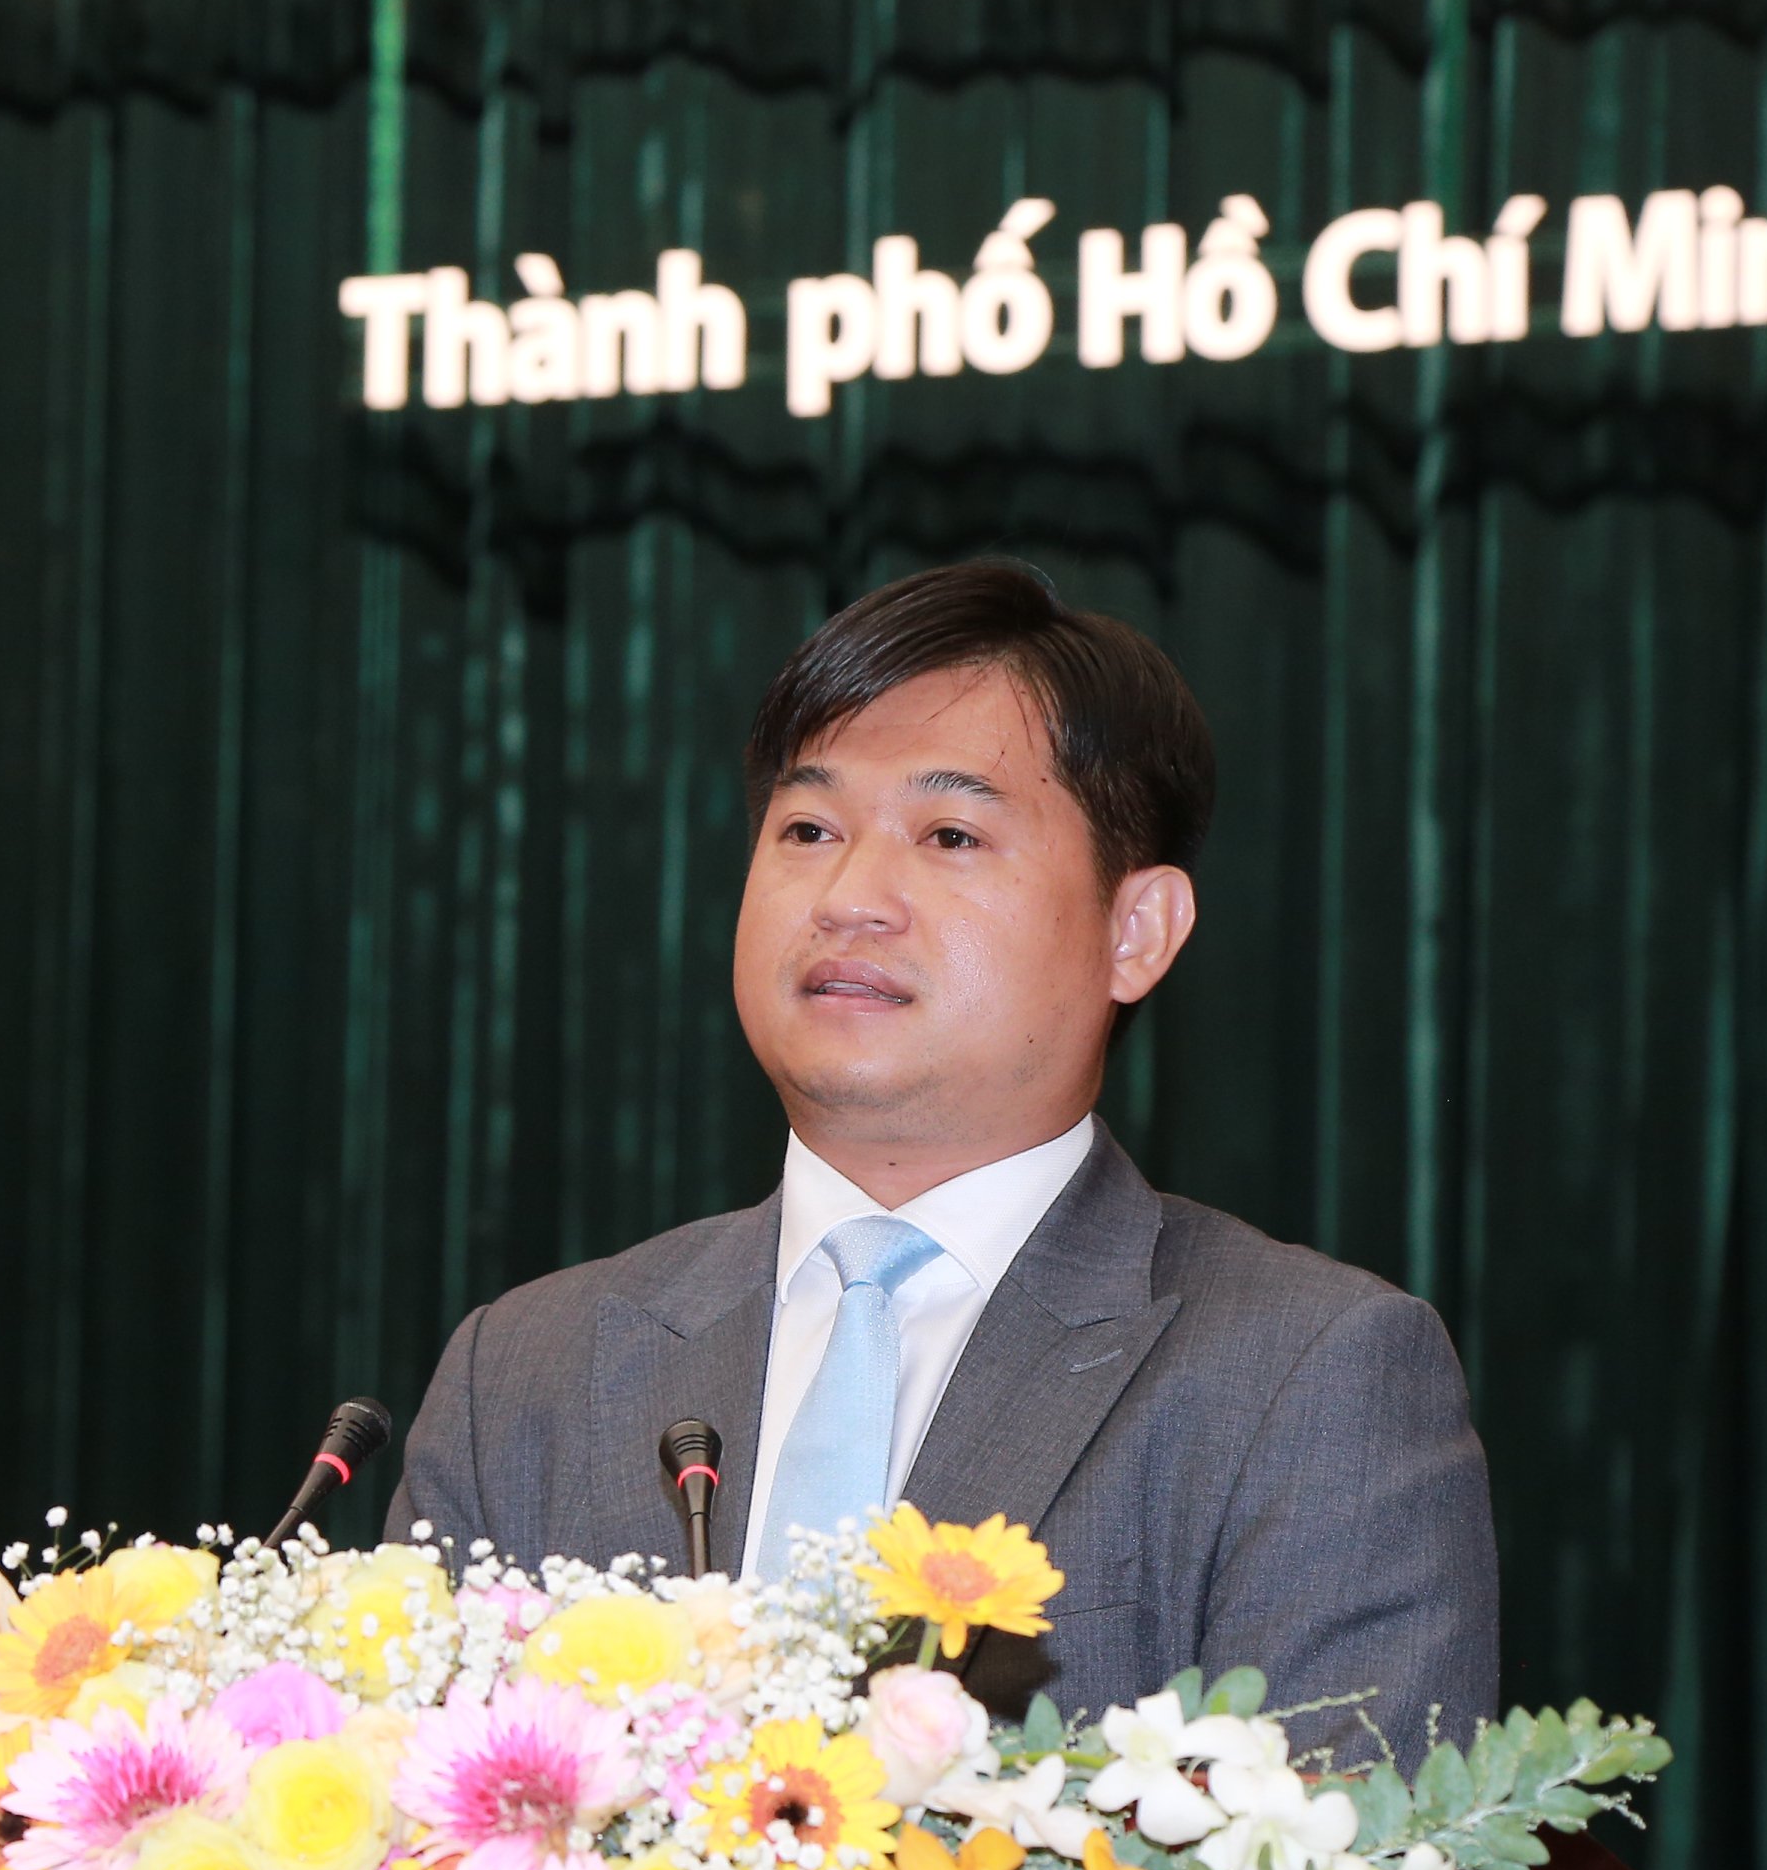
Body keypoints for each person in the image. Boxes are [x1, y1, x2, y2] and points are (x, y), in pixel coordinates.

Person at [382, 560, 1498, 1755]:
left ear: (1137, 931)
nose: (850, 896)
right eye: (808, 829)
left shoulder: (1307, 1379)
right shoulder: (527, 1375)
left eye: (950, 834)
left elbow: (1350, 1852)